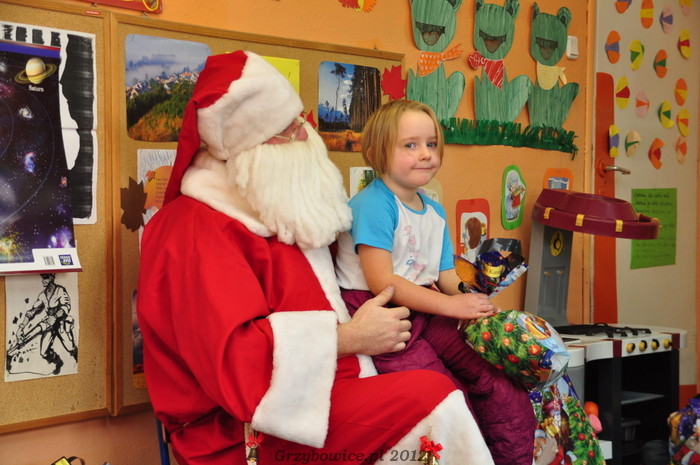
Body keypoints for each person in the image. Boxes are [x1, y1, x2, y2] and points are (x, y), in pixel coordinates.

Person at [136, 51, 495, 465]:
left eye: (299, 121)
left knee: (485, 376)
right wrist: (349, 339)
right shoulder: (192, 230)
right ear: (248, 151)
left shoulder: (279, 205)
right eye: (287, 131)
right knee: (433, 397)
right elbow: (234, 362)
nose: (305, 135)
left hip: (331, 390)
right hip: (242, 431)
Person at [334, 100, 537, 465]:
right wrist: (450, 305)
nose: (426, 154)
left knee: (498, 380)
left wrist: (472, 300)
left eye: (431, 144)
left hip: (427, 310)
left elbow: (444, 275)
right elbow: (382, 281)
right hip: (386, 319)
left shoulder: (434, 209)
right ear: (379, 151)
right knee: (446, 397)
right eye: (410, 145)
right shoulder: (374, 204)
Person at [16, 273, 77, 375]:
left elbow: (66, 306)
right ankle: (58, 362)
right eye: (42, 278)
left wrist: (55, 316)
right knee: (43, 352)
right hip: (49, 324)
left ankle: (79, 361)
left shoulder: (60, 290)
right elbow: (32, 311)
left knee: (70, 347)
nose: (43, 280)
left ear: (51, 278)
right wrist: (21, 327)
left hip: (61, 323)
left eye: (46, 278)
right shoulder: (42, 295)